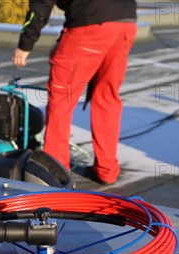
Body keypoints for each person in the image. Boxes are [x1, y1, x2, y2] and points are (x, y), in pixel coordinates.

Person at [12, 0, 137, 185]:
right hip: (125, 23)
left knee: (62, 98)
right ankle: (106, 170)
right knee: (107, 98)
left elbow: (41, 4)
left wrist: (25, 44)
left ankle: (54, 171)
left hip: (89, 25)